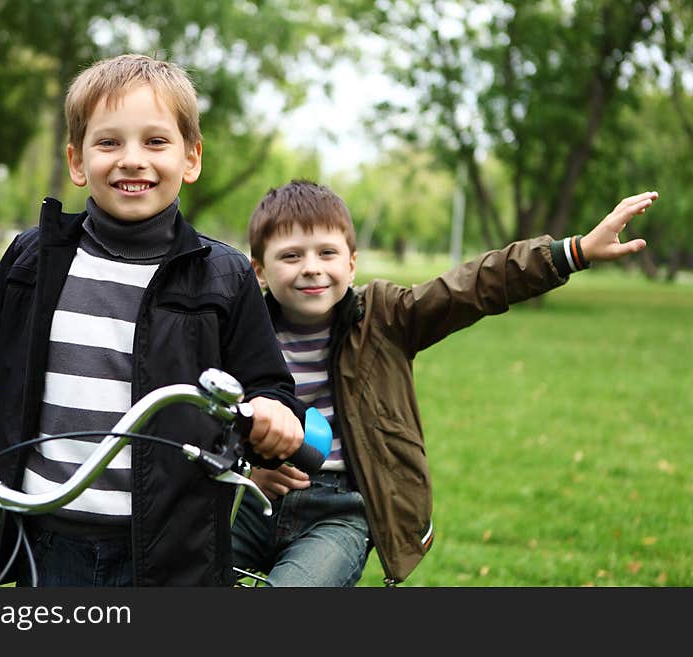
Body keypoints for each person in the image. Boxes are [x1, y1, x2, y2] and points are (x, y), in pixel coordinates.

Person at [0, 54, 306, 587]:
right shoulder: (36, 257)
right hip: (46, 536)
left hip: (168, 546)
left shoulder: (220, 275)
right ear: (77, 161)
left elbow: (268, 384)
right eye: (109, 143)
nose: (132, 160)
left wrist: (271, 410)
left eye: (155, 142)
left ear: (191, 158)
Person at [231, 179, 658, 586]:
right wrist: (248, 470)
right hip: (252, 500)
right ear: (259, 270)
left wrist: (573, 252)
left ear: (351, 263)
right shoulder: (238, 332)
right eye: (291, 256)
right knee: (176, 572)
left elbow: (471, 286)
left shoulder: (386, 316)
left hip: (340, 511)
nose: (312, 269)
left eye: (327, 253)